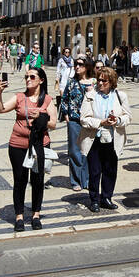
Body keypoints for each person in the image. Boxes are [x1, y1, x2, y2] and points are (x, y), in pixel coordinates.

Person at [0, 65, 58, 230]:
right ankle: (19, 216)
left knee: (37, 181)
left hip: (39, 145)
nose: (28, 79)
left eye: (32, 77)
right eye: (26, 77)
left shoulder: (47, 100)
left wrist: (41, 116)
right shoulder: (19, 97)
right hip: (17, 144)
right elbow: (0, 109)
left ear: (41, 80)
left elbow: (53, 124)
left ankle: (36, 214)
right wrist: (0, 92)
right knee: (20, 180)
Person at [80, 67, 131, 212]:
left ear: (112, 82)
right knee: (95, 171)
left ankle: (107, 198)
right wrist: (101, 122)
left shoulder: (120, 96)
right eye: (99, 79)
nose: (100, 83)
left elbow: (128, 117)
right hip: (94, 138)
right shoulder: (90, 95)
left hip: (113, 139)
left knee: (110, 170)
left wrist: (118, 120)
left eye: (104, 80)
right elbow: (83, 119)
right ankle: (94, 199)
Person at [59, 55, 91, 191]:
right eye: (76, 64)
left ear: (87, 67)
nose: (77, 67)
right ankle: (76, 180)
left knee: (89, 152)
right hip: (74, 120)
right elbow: (64, 99)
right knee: (74, 151)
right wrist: (66, 115)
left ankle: (88, 180)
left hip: (90, 122)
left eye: (80, 64)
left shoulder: (94, 82)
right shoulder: (71, 82)